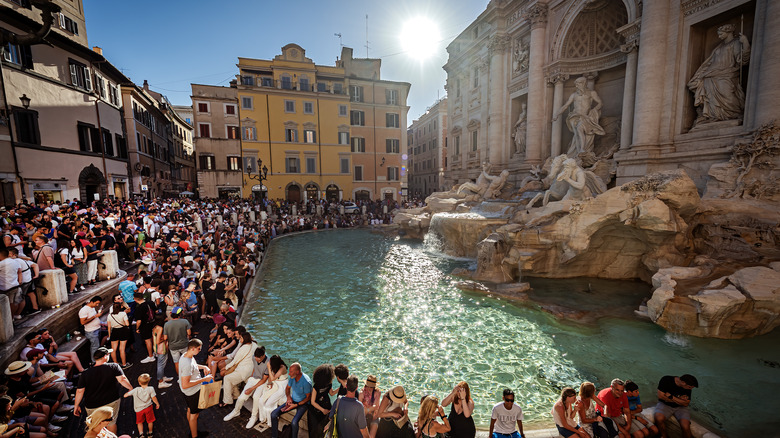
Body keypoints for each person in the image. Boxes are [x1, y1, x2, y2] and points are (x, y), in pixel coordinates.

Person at [688, 24, 751, 126]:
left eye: (721, 33)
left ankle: (734, 114)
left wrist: (745, 43)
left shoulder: (735, 43)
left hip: (727, 74)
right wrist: (700, 74)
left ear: (728, 32)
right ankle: (713, 116)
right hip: (710, 75)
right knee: (708, 96)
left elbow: (742, 60)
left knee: (728, 95)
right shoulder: (719, 47)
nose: (719, 36)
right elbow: (710, 62)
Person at [73, 347, 134, 434]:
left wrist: (76, 405)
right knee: (111, 423)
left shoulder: (85, 373)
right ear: (105, 357)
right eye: (108, 354)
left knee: (95, 425)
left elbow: (79, 391)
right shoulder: (114, 366)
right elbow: (122, 379)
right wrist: (130, 388)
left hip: (92, 405)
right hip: (111, 401)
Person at [552, 76, 605, 156]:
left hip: (586, 116)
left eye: (578, 84)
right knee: (578, 132)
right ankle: (580, 150)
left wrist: (593, 111)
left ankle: (580, 150)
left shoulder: (591, 93)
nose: (576, 86)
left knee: (580, 129)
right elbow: (566, 105)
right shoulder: (574, 95)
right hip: (574, 116)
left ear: (583, 83)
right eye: (576, 84)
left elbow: (600, 103)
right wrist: (557, 114)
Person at [222, 346, 268, 426]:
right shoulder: (254, 358)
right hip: (253, 378)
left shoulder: (268, 363)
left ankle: (254, 417)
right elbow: (255, 367)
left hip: (262, 382)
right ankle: (236, 411)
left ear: (263, 356)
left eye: (258, 358)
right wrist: (251, 377)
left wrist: (251, 388)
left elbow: (264, 380)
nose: (256, 360)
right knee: (241, 398)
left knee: (256, 397)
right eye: (255, 358)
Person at [179, 339, 213, 438]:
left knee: (190, 410)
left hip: (187, 392)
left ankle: (192, 430)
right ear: (193, 348)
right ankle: (194, 436)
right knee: (195, 415)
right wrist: (203, 380)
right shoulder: (187, 364)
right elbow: (186, 384)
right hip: (192, 392)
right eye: (199, 349)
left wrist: (204, 367)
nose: (200, 350)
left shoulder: (186, 355)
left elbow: (193, 367)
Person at [270, 362, 312, 438]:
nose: (289, 374)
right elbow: (287, 388)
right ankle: (274, 436)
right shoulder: (293, 378)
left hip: (303, 404)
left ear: (297, 372)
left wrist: (296, 405)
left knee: (294, 422)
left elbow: (308, 398)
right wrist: (289, 397)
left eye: (291, 372)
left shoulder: (306, 382)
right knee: (273, 414)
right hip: (293, 400)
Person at [220, 332, 256, 408]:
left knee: (227, 378)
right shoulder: (254, 345)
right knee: (232, 379)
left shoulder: (243, 348)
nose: (240, 339)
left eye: (241, 338)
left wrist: (226, 367)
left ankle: (227, 401)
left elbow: (235, 361)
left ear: (244, 339)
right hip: (251, 370)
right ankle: (236, 395)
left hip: (243, 371)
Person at [255, 354, 288, 428]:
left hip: (281, 387)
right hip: (275, 384)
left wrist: (269, 368)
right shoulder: (275, 367)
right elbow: (271, 379)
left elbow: (273, 378)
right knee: (261, 400)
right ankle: (263, 418)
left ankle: (271, 421)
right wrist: (269, 383)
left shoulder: (282, 368)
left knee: (268, 403)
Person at [123, 373, 160, 438]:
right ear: (148, 381)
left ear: (139, 383)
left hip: (138, 409)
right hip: (148, 408)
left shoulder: (136, 390)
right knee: (150, 421)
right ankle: (150, 433)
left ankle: (141, 434)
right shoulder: (151, 389)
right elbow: (154, 398)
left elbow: (125, 395)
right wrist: (157, 403)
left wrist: (131, 391)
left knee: (139, 422)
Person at [308, 364, 335, 438]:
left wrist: (341, 388)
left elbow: (331, 393)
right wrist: (323, 410)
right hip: (315, 411)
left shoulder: (329, 384)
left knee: (322, 431)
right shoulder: (315, 387)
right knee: (314, 432)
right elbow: (312, 402)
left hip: (325, 408)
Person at [163, 307, 192, 374]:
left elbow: (165, 338)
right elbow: (189, 333)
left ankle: (180, 378)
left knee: (177, 362)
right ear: (180, 314)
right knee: (187, 360)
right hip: (184, 344)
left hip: (173, 346)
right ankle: (188, 374)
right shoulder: (185, 321)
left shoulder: (167, 324)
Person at [107, 301, 132, 369]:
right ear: (120, 307)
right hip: (123, 331)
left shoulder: (110, 315)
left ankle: (116, 364)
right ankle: (124, 364)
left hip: (114, 332)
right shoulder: (123, 314)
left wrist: (109, 336)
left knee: (113, 349)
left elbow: (109, 327)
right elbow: (127, 324)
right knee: (122, 349)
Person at [134, 292, 156, 364]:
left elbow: (139, 321)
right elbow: (156, 310)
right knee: (154, 338)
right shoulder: (151, 303)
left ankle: (150, 356)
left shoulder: (139, 308)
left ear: (135, 299)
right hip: (153, 322)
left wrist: (137, 328)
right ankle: (156, 352)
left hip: (145, 325)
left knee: (147, 341)